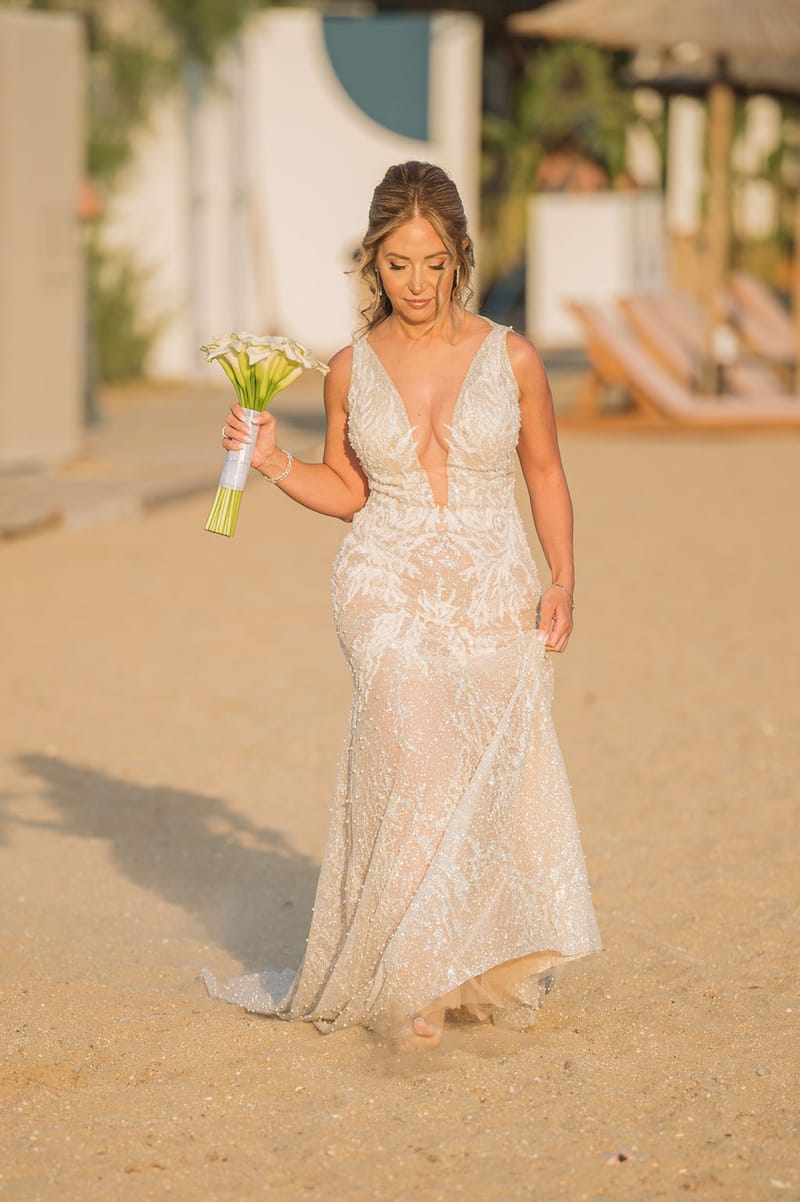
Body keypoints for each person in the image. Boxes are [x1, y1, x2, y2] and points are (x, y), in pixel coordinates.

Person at [203, 161, 601, 1049]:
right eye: (397, 264)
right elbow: (349, 491)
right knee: (418, 764)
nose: (416, 284)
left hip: (493, 585)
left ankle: (451, 962)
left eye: (433, 263)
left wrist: (562, 578)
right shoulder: (348, 369)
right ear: (372, 263)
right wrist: (271, 461)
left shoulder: (515, 358)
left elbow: (545, 472)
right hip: (383, 579)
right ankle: (414, 985)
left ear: (459, 256)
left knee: (478, 780)